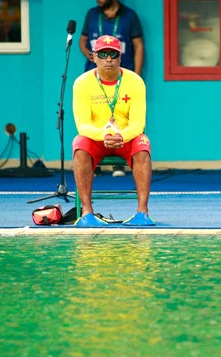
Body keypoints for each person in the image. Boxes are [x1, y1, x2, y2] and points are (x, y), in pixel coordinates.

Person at [71, 35, 154, 227]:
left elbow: (138, 123)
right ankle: (87, 213)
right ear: (93, 57)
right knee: (79, 144)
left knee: (143, 144)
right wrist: (104, 136)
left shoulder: (135, 81)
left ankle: (142, 212)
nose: (108, 59)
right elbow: (82, 125)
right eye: (103, 54)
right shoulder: (81, 83)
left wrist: (121, 136)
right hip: (97, 138)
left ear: (120, 58)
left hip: (126, 138)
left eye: (113, 55)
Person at [79, 0, 145, 177]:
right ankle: (94, 163)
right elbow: (83, 40)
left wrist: (136, 74)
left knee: (121, 115)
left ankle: (119, 164)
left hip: (122, 77)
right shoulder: (92, 14)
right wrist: (91, 55)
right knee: (94, 116)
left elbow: (138, 45)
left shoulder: (129, 16)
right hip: (96, 78)